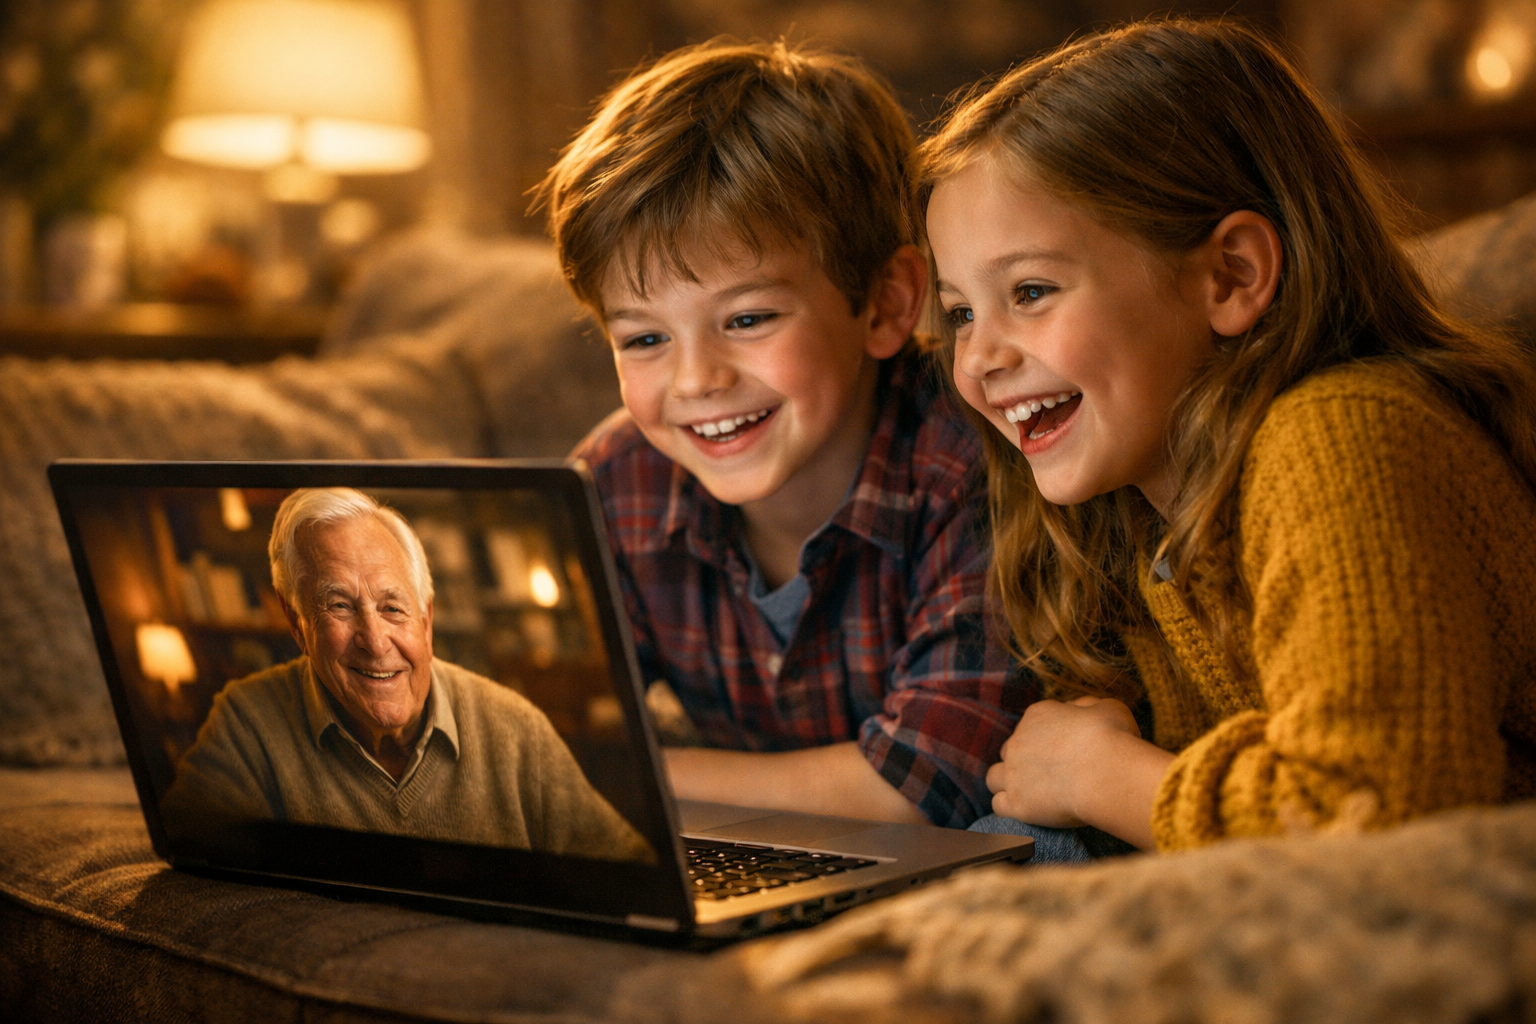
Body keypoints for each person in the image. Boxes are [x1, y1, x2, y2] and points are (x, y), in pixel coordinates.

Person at [919, 18, 1536, 860]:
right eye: (960, 312)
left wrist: (1100, 775)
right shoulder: (1147, 504)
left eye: (1030, 291)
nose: (978, 359)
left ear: (1232, 276)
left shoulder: (1343, 438)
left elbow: (1378, 820)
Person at [533, 40, 1034, 829]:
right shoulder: (618, 483)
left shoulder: (971, 461)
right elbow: (539, 738)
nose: (696, 381)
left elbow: (925, 786)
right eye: (645, 338)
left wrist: (639, 771)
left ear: (884, 305)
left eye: (747, 319)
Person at [161, 488, 653, 863]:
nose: (376, 642)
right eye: (339, 606)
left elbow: (631, 876)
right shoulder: (246, 724)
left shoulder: (516, 729)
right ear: (297, 624)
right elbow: (189, 873)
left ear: (427, 619)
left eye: (393, 608)